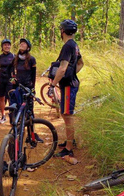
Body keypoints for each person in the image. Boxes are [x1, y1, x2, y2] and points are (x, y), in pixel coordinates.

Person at [51, 19, 84, 159]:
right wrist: (73, 72)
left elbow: (62, 68)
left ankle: (69, 148)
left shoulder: (67, 46)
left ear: (62, 31)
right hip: (71, 84)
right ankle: (70, 141)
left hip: (69, 86)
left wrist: (53, 85)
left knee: (68, 116)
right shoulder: (74, 45)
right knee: (66, 115)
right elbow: (81, 63)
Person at [0, 39, 14, 124]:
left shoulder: (14, 56)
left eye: (8, 45)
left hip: (10, 79)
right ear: (2, 47)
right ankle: (3, 116)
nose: (7, 46)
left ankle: (12, 117)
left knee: (10, 98)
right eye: (5, 45)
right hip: (1, 79)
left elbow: (16, 68)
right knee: (1, 97)